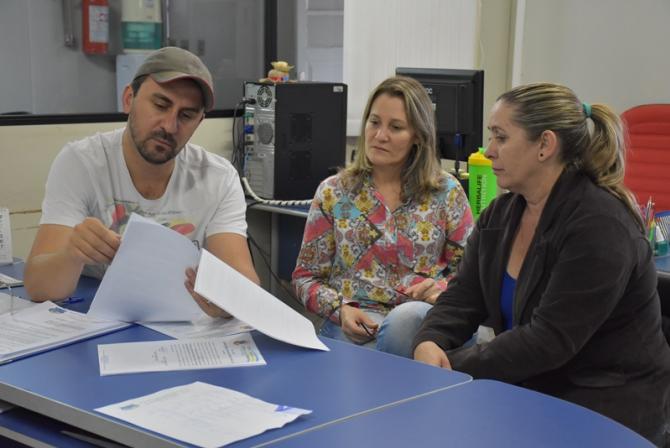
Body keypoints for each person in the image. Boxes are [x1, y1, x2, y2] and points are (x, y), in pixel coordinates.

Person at [413, 82, 670, 445]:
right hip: (535, 392)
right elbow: (462, 298)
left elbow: (549, 340)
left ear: (545, 145)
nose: (489, 150)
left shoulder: (599, 225)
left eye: (501, 137)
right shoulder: (501, 213)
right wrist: (430, 341)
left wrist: (451, 365)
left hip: (607, 408)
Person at [24, 46, 260, 317]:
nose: (169, 126)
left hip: (183, 327)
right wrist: (72, 254)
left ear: (199, 122)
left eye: (186, 115)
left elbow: (245, 286)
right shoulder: (82, 163)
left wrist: (227, 302)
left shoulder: (218, 178)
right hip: (98, 321)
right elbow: (38, 287)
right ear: (129, 99)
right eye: (160, 105)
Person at [292, 76, 473, 358]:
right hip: (356, 321)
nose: (380, 135)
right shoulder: (334, 192)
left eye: (396, 127)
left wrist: (438, 289)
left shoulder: (446, 192)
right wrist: (341, 310)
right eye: (374, 122)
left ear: (418, 136)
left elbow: (470, 275)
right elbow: (305, 277)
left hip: (420, 317)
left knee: (404, 322)